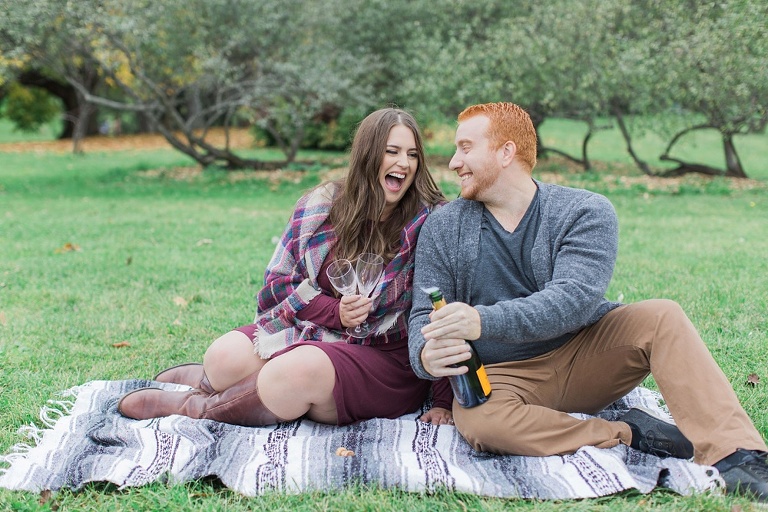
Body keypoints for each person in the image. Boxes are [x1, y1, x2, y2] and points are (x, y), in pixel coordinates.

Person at [407, 102, 768, 501]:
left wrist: (480, 321)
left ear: (505, 152)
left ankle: (738, 455)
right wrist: (425, 355)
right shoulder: (444, 225)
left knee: (662, 315)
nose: (454, 161)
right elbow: (424, 313)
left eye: (465, 147)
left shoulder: (585, 210)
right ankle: (631, 432)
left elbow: (573, 301)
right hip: (503, 375)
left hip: (586, 354)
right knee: (479, 423)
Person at [118, 107, 453, 428]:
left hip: (386, 360)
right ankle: (207, 378)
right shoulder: (322, 208)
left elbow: (442, 307)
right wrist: (336, 313)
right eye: (392, 151)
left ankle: (194, 406)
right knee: (223, 359)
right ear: (367, 155)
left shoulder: (430, 222)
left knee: (295, 371)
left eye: (412, 155)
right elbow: (278, 284)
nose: (403, 163)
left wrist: (442, 400)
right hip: (319, 332)